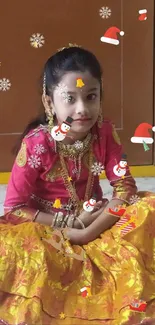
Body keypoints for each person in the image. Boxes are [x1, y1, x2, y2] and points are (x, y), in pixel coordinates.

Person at [0, 44, 155, 325]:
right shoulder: (37, 145)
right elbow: (14, 209)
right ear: (49, 103)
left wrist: (87, 231)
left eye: (90, 96)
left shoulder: (104, 133)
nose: (82, 108)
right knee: (13, 250)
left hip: (96, 221)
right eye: (69, 98)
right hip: (48, 230)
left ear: (100, 97)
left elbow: (124, 188)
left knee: (148, 208)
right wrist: (68, 226)